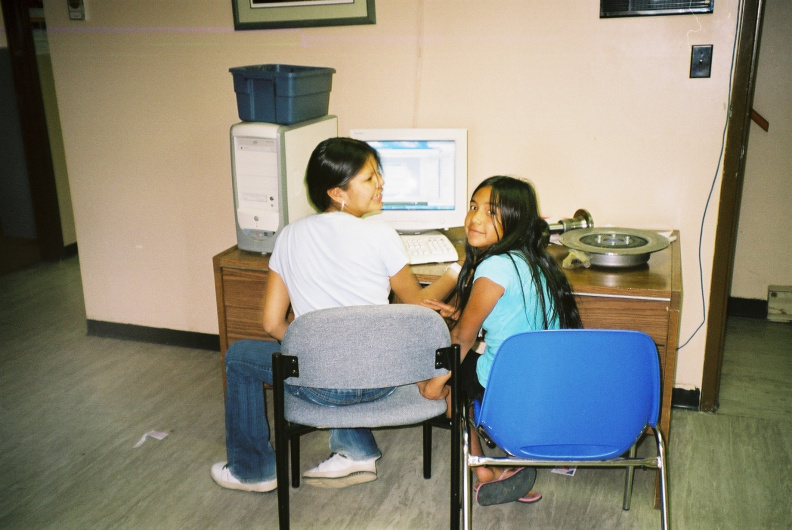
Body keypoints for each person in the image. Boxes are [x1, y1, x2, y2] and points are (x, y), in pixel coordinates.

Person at [211, 137, 459, 493]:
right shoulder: (382, 236)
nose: (381, 184)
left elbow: (270, 323)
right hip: (381, 382)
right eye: (370, 178)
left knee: (237, 356)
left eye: (378, 175)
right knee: (353, 348)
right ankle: (355, 450)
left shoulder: (289, 236)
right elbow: (417, 305)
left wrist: (312, 351)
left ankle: (255, 471)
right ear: (337, 193)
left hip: (320, 389)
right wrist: (454, 273)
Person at [420, 176, 582, 506]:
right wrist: (460, 311)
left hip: (506, 385)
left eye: (491, 212)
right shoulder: (534, 261)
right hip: (540, 381)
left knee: (450, 379)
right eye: (473, 206)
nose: (475, 218)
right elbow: (510, 314)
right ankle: (501, 465)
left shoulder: (493, 266)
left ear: (514, 220)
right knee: (460, 365)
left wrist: (433, 386)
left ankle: (483, 472)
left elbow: (463, 338)